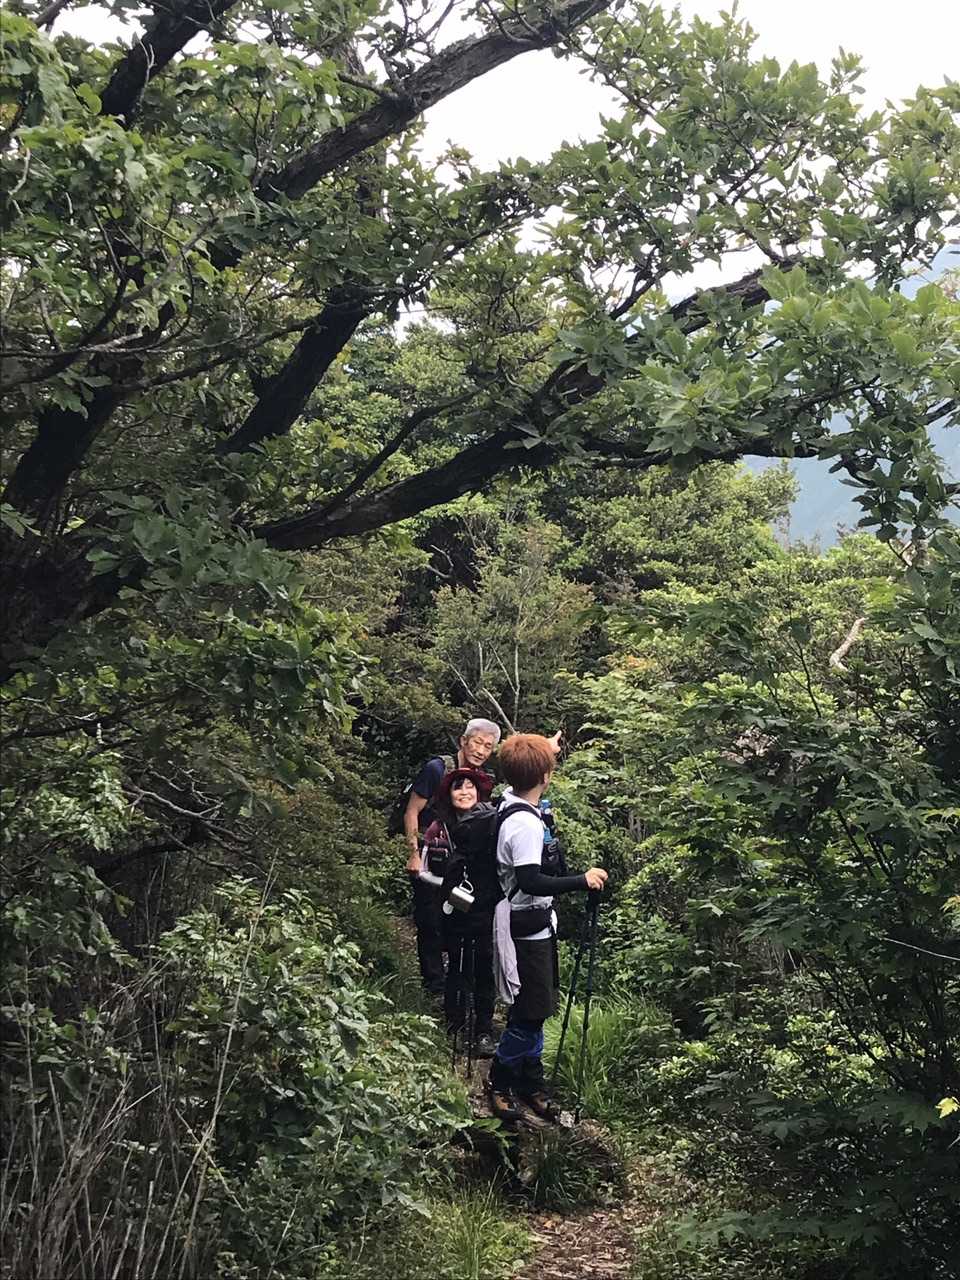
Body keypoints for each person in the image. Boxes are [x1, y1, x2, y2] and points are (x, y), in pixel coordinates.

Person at [487, 732, 607, 1124]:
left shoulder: (512, 799)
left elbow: (524, 760)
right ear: (545, 776)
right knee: (530, 1014)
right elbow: (531, 880)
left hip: (530, 924)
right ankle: (501, 1081)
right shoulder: (525, 824)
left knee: (532, 1009)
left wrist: (546, 751)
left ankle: (530, 1081)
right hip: (527, 928)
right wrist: (581, 880)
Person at [403, 718, 501, 997]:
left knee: (456, 920)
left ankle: (457, 986)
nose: (480, 750)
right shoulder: (437, 769)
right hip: (429, 858)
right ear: (463, 741)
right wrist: (412, 854)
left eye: (488, 746)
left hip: (460, 864)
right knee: (429, 921)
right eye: (477, 742)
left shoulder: (481, 779)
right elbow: (412, 811)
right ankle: (434, 986)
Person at [422, 768, 499, 1057]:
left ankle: (483, 1030)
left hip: (486, 904)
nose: (465, 792)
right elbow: (424, 869)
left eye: (470, 787)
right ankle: (454, 1024)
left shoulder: (493, 822)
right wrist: (449, 884)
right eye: (458, 787)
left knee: (484, 964)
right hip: (453, 905)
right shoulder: (439, 828)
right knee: (456, 963)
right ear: (449, 794)